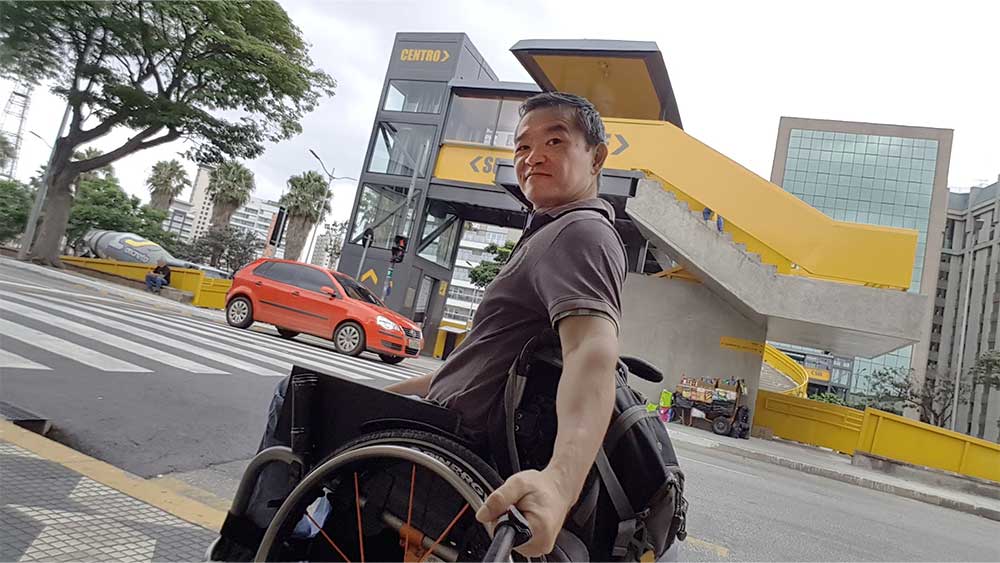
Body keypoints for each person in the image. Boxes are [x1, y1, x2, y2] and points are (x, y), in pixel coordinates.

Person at [252, 92, 626, 558]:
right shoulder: (553, 232)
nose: (534, 157)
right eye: (523, 146)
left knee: (295, 395)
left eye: (555, 141)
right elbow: (483, 363)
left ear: (597, 157)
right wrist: (397, 389)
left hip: (447, 450)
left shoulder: (580, 233)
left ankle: (252, 542)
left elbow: (592, 350)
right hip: (441, 427)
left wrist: (560, 483)